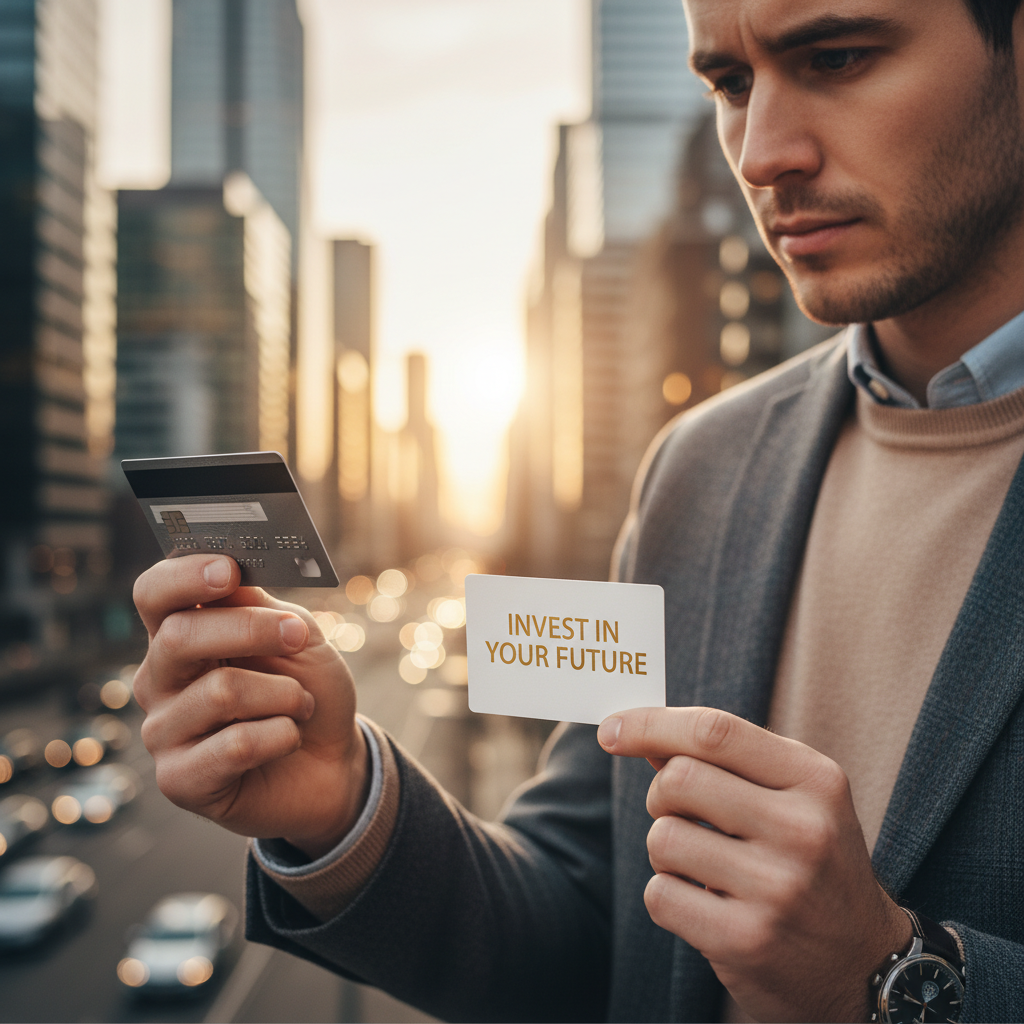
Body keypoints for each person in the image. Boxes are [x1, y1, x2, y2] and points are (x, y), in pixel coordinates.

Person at [131, 0, 1024, 1020]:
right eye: (729, 85)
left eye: (837, 57)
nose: (763, 151)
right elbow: (588, 917)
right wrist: (343, 807)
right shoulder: (701, 466)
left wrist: (894, 974)